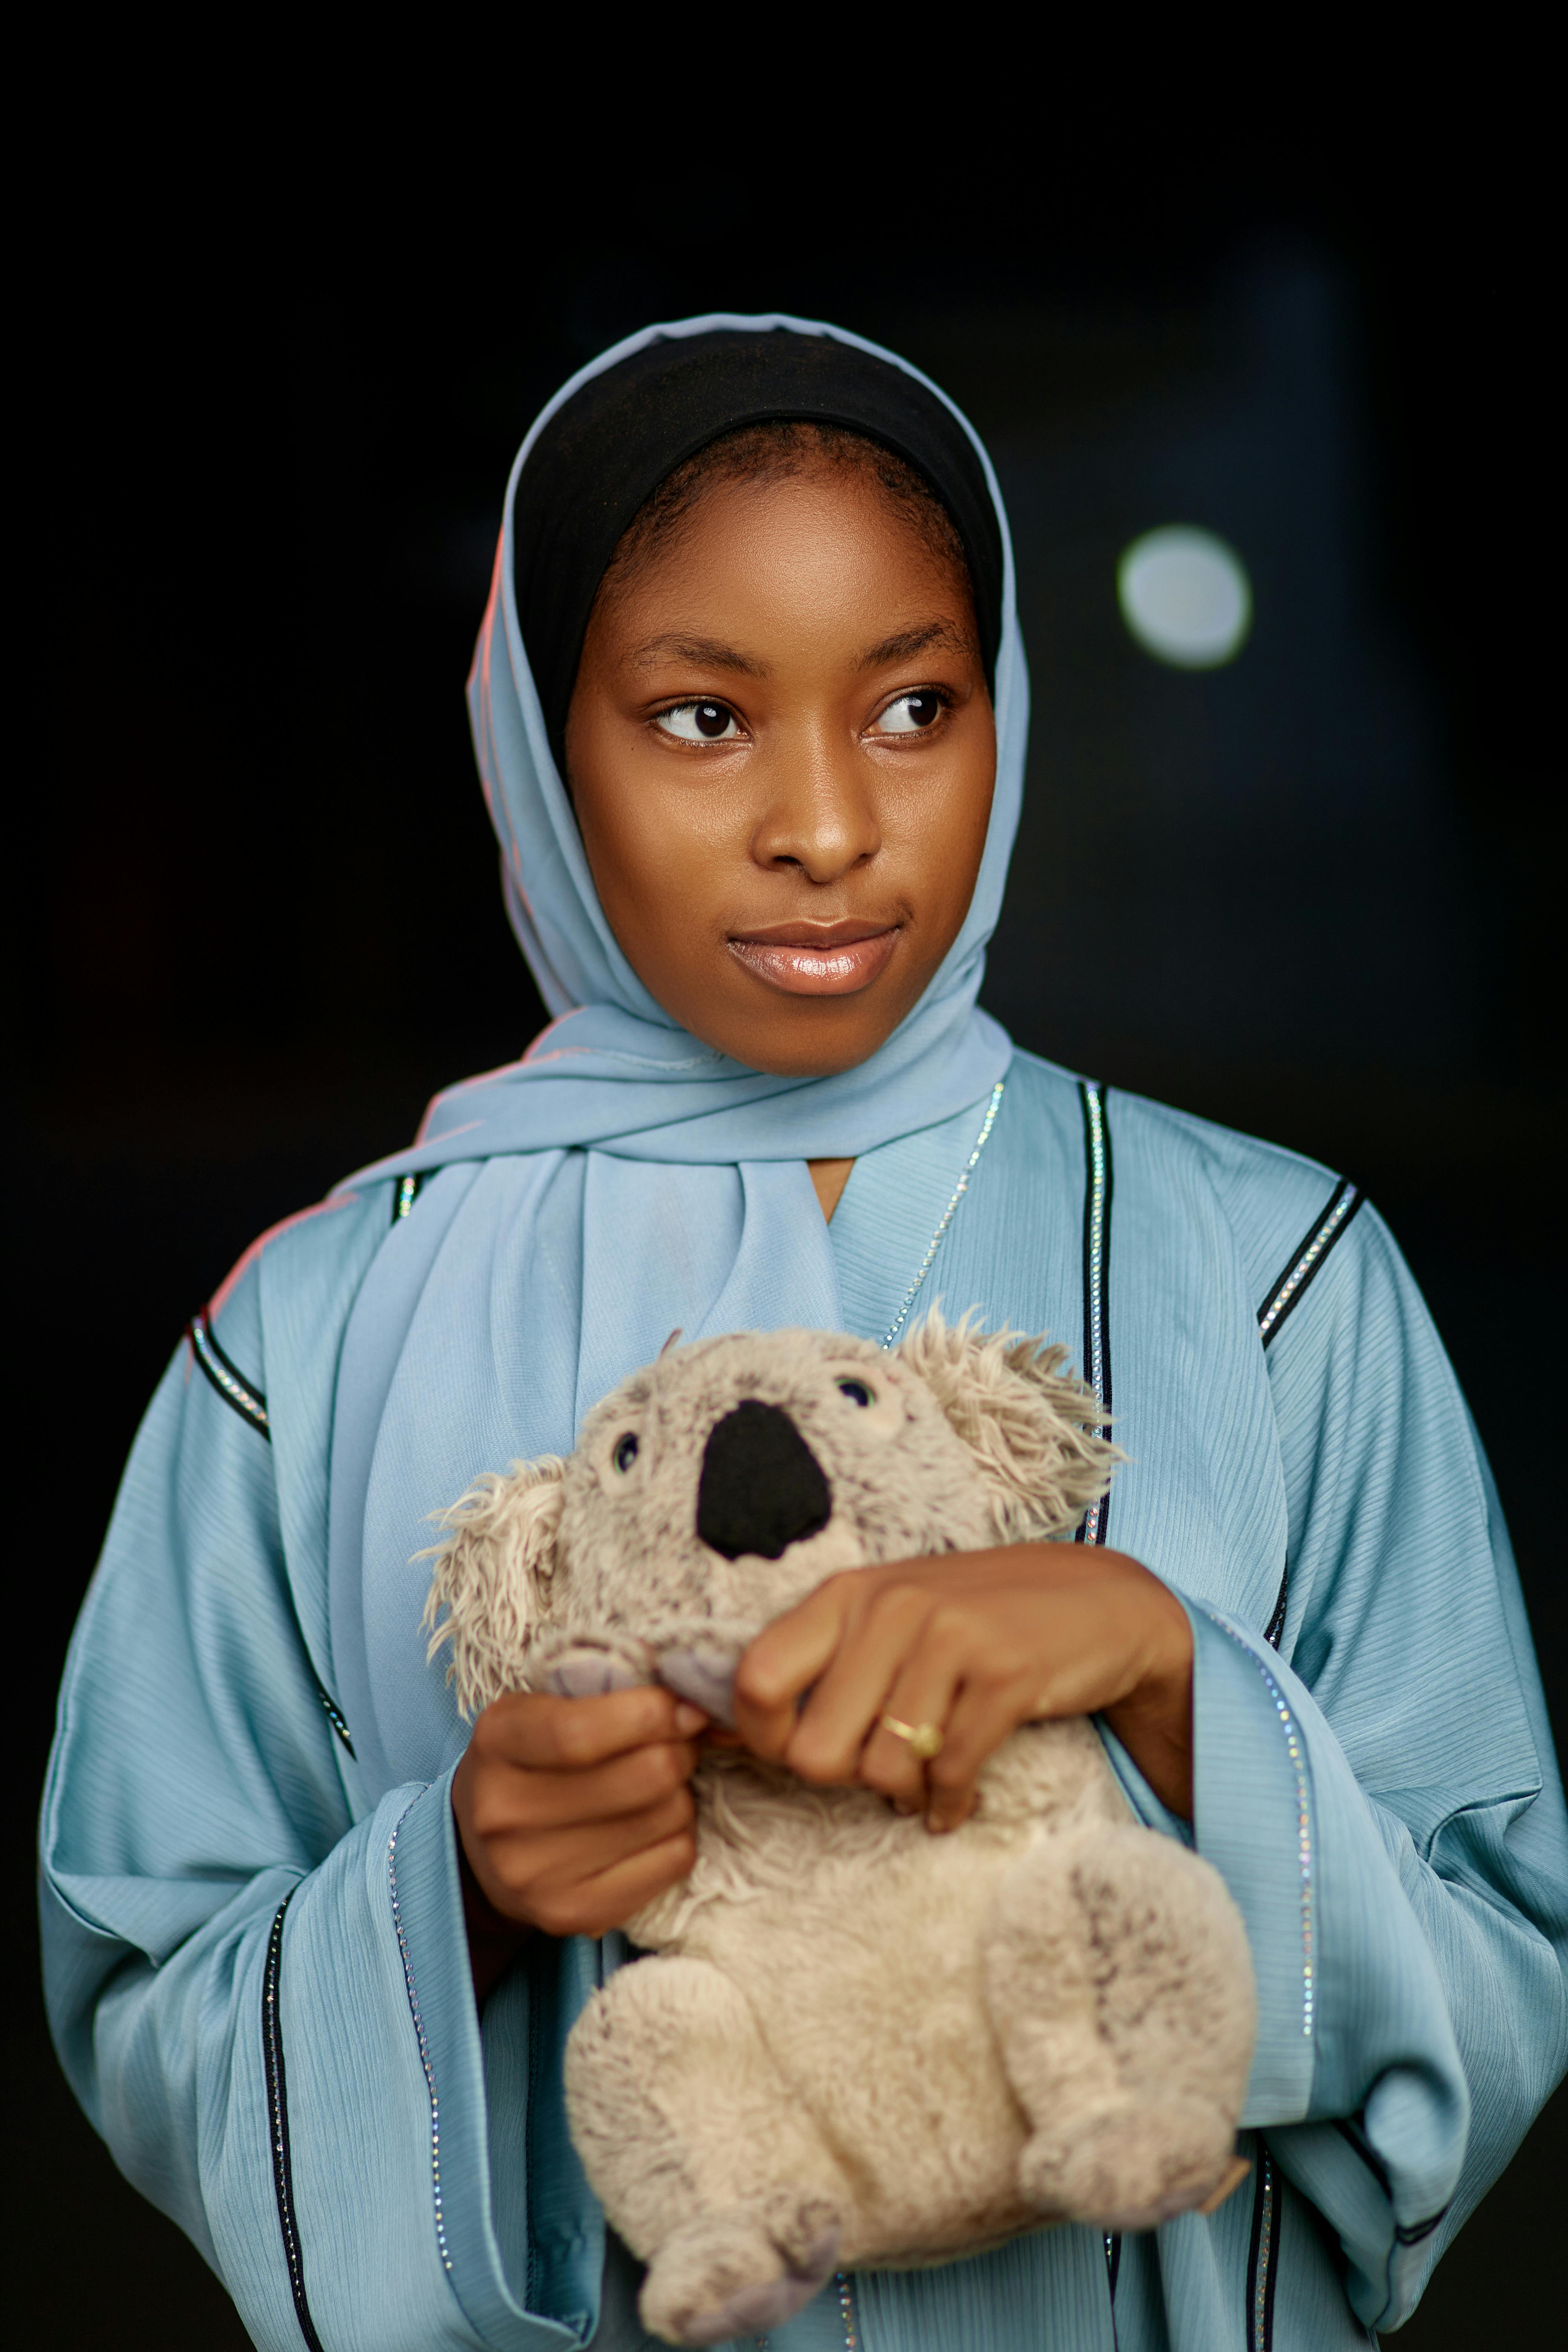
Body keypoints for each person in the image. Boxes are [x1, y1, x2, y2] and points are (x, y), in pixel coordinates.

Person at [40, 315, 1568, 2352]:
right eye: (703, 720)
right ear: (538, 740)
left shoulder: (1279, 1275)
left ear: (1004, 708)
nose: (829, 826)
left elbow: (1504, 1954)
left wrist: (1170, 1677)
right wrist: (459, 1899)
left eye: (915, 704)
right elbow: (142, 1978)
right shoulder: (306, 1345)